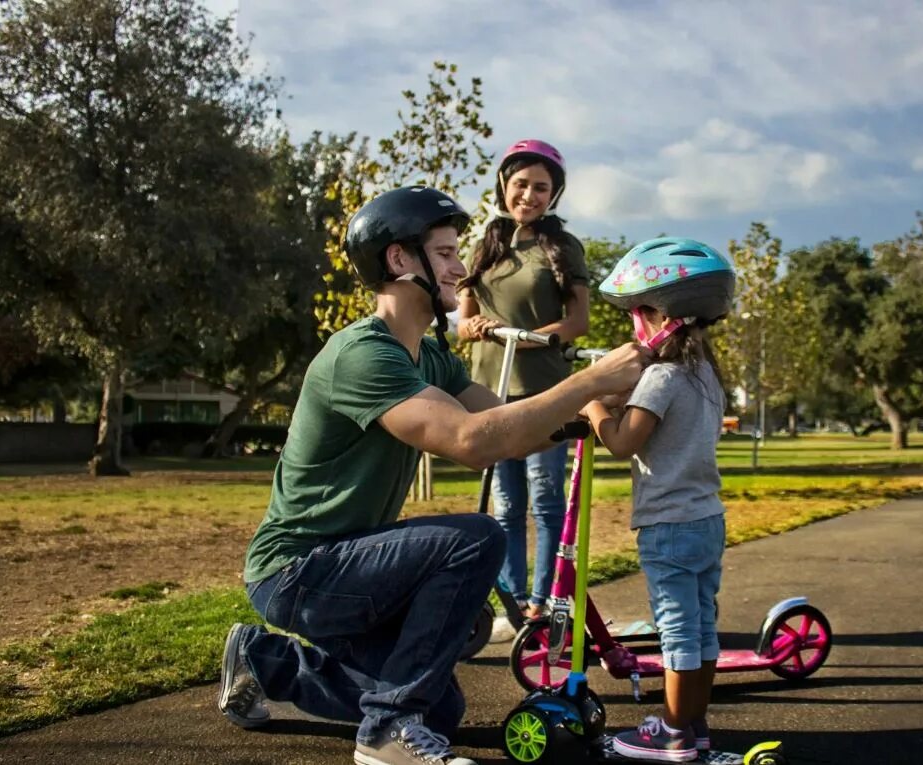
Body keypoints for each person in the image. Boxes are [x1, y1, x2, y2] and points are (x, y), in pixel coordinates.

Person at [216, 186, 649, 765]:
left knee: (440, 709)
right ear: (400, 260)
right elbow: (470, 444)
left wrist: (590, 415)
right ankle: (386, 734)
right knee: (478, 537)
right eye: (445, 253)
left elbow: (502, 426)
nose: (462, 268)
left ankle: (261, 660)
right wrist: (588, 384)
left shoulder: (431, 357)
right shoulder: (362, 355)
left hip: (345, 562)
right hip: (297, 569)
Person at [581, 237, 736, 763]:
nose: (634, 325)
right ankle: (694, 725)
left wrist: (596, 405)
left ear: (663, 318)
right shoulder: (706, 376)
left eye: (637, 313)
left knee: (676, 630)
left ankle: (670, 734)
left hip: (667, 525)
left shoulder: (662, 376)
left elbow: (625, 441)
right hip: (707, 520)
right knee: (702, 624)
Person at [457, 139, 589, 636]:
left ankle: (545, 602)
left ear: (553, 194)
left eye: (540, 187)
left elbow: (577, 321)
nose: (528, 195)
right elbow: (464, 319)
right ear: (503, 187)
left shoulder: (562, 246)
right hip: (489, 389)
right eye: (520, 185)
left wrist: (536, 339)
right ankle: (512, 608)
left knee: (546, 498)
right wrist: (476, 328)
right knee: (505, 505)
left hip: (542, 391)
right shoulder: (486, 242)